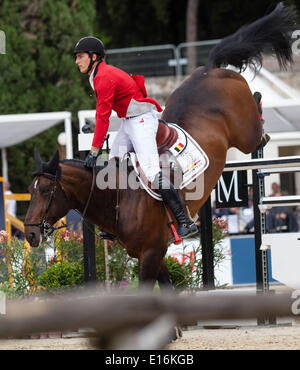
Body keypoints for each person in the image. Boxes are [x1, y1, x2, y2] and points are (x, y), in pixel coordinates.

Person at [74, 36, 198, 240]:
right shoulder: (96, 75)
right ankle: (114, 223)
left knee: (151, 172)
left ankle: (185, 221)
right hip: (128, 121)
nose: (77, 61)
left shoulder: (103, 76)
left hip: (141, 121)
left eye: (80, 56)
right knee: (112, 165)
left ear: (94, 57)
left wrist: (95, 150)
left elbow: (102, 117)